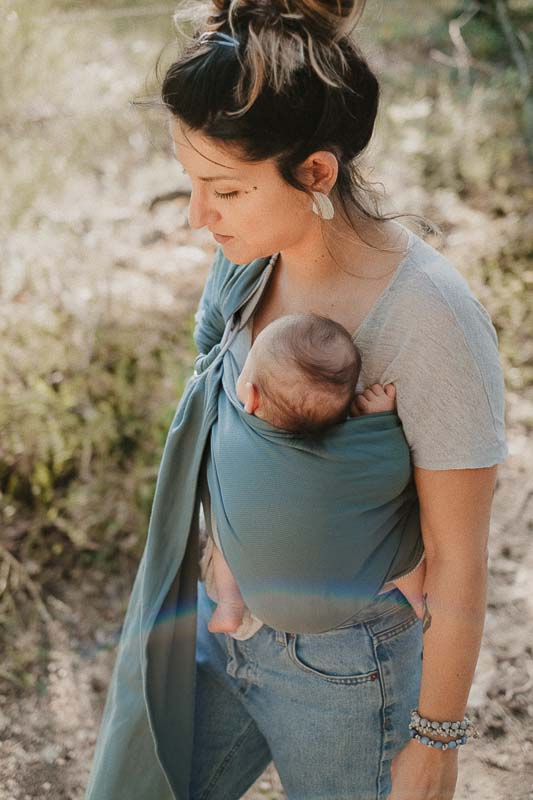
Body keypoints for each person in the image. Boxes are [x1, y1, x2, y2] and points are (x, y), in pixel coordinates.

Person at [84, 2, 508, 798]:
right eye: (191, 183)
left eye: (226, 190)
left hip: (346, 674)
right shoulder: (250, 260)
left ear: (315, 171)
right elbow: (225, 410)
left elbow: (458, 563)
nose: (195, 216)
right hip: (219, 630)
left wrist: (436, 741)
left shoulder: (427, 321)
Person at [204, 312, 426, 637]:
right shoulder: (353, 463)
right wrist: (380, 420)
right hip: (344, 602)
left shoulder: (232, 435)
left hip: (260, 594)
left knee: (221, 528)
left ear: (251, 397)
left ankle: (229, 604)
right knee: (397, 521)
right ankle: (419, 596)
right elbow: (394, 470)